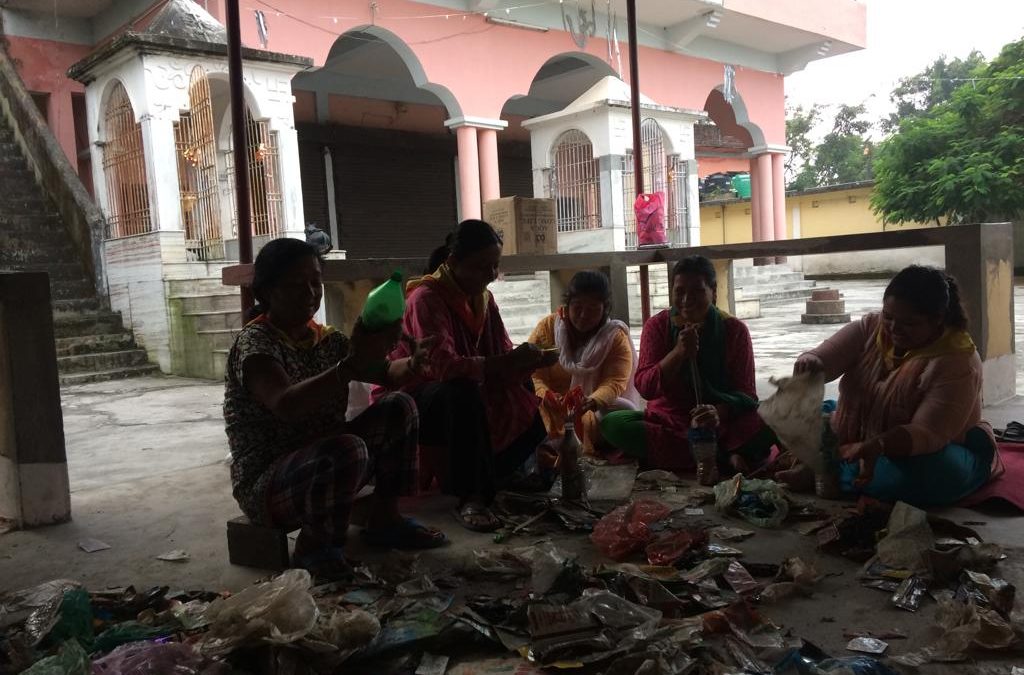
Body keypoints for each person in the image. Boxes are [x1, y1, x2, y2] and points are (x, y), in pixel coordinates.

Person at [224, 238, 446, 581]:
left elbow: (386, 373)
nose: (310, 292)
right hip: (268, 483)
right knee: (347, 448)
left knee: (400, 406)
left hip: (326, 462)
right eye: (296, 284)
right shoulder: (255, 345)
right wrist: (348, 368)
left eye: (315, 282)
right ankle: (315, 549)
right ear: (267, 291)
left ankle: (386, 519)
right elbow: (286, 405)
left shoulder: (326, 339)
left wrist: (414, 364)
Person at [386, 219, 555, 532]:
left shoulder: (483, 299)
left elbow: (501, 350)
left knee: (522, 382)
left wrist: (525, 360)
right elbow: (441, 367)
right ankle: (471, 496)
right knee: (461, 391)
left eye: (495, 266)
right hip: (415, 393)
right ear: (453, 262)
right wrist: (503, 362)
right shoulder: (426, 298)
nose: (490, 275)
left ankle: (503, 472)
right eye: (481, 267)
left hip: (464, 381)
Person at [787, 265, 999, 507]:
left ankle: (827, 468)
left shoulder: (956, 360)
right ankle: (840, 465)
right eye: (888, 317)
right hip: (866, 432)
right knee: (797, 417)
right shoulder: (871, 327)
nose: (894, 329)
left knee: (928, 476)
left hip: (935, 449)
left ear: (937, 320)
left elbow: (927, 434)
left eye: (909, 323)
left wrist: (879, 445)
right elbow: (828, 357)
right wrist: (811, 362)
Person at [600, 256, 774, 472]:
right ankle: (722, 456)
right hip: (669, 420)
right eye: (680, 291)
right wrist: (678, 353)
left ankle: (697, 454)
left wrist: (718, 412)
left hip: (722, 423)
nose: (686, 300)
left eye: (697, 291)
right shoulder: (657, 326)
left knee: (775, 418)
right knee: (612, 424)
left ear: (714, 292)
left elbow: (747, 395)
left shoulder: (734, 330)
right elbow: (645, 388)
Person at [528, 270, 639, 454]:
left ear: (605, 308)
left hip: (591, 406)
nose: (583, 315)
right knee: (524, 404)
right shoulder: (548, 327)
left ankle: (559, 444)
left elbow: (615, 381)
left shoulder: (614, 336)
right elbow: (533, 372)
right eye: (577, 307)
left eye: (593, 309)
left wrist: (592, 401)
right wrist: (546, 395)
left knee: (623, 410)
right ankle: (554, 444)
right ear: (567, 304)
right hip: (550, 405)